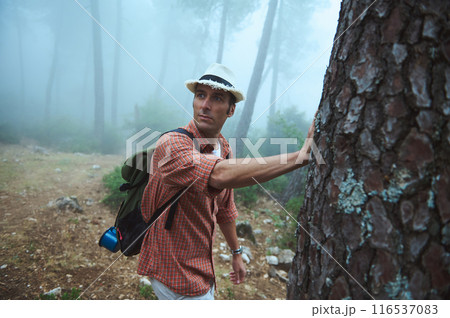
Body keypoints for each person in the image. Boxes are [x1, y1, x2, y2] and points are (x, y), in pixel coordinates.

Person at [137, 63, 315, 300]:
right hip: (173, 270)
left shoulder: (224, 149)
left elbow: (225, 209)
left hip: (202, 268)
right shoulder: (172, 145)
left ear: (230, 110)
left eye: (217, 98)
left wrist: (236, 252)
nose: (205, 105)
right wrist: (299, 158)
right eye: (201, 95)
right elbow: (218, 174)